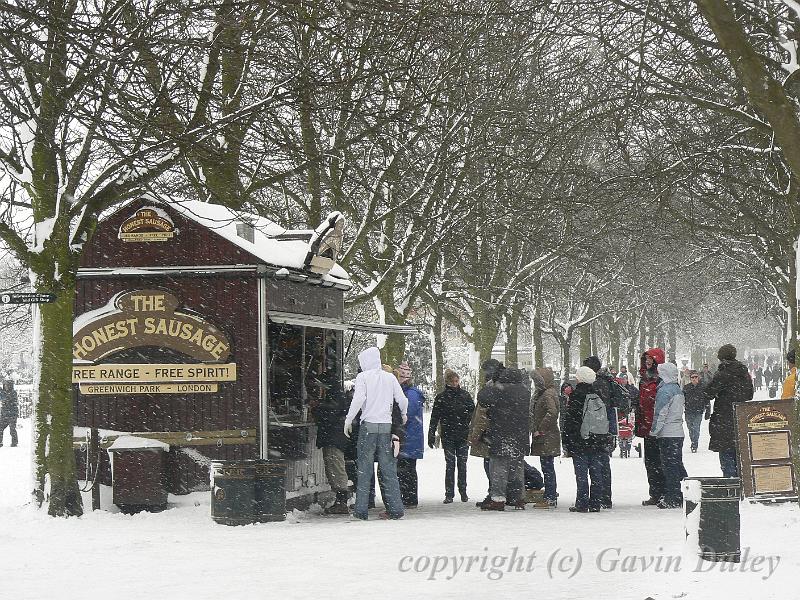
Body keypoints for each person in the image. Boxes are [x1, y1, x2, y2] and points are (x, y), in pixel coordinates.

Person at [344, 347, 408, 520]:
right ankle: (396, 509)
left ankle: (361, 511)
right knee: (388, 470)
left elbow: (358, 399)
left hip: (368, 426)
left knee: (365, 470)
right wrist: (403, 414)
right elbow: (402, 399)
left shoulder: (363, 377)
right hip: (386, 426)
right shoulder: (389, 378)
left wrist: (348, 420)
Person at [475, 367, 531, 511]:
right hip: (519, 435)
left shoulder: (500, 390)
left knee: (499, 468)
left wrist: (492, 383)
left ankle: (498, 499)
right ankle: (519, 498)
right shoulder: (524, 391)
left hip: (501, 433)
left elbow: (482, 398)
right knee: (517, 468)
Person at [562, 366, 609, 513]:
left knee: (581, 474)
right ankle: (595, 502)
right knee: (596, 473)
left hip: (580, 441)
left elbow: (571, 421)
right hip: (596, 440)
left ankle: (582, 502)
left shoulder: (576, 396)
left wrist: (567, 441)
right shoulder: (598, 394)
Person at [704, 344, 754, 478]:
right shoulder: (744, 373)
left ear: (721, 358)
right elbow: (750, 394)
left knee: (726, 455)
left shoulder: (723, 374)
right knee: (740, 455)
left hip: (724, 419)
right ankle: (741, 484)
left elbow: (708, 393)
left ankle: (731, 486)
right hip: (742, 417)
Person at [428, 369, 474, 504]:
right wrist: (431, 433)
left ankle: (463, 491)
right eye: (452, 381)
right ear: (447, 382)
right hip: (448, 435)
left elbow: (473, 412)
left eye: (456, 381)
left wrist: (469, 425)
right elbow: (435, 416)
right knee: (450, 464)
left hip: (462, 434)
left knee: (462, 464)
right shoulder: (441, 397)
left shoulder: (465, 395)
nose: (455, 383)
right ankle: (449, 493)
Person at [311, 371, 352, 514]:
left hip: (333, 438)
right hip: (335, 437)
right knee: (334, 468)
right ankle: (340, 500)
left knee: (335, 469)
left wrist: (317, 408)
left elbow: (330, 414)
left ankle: (341, 502)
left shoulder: (334, 396)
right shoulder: (337, 394)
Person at [651, 363, 688, 508]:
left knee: (669, 466)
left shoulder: (664, 391)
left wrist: (653, 431)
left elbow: (660, 413)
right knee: (677, 464)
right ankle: (683, 492)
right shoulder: (677, 389)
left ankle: (672, 497)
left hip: (667, 433)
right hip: (678, 432)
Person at [582, 356, 615, 509]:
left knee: (599, 463)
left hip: (599, 428)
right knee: (603, 462)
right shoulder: (605, 381)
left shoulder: (597, 384)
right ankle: (605, 496)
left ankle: (603, 496)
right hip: (605, 427)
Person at [637, 348, 665, 506]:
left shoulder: (660, 379)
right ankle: (654, 492)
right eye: (646, 358)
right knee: (650, 462)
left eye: (651, 359)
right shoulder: (644, 378)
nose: (648, 361)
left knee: (659, 461)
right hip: (647, 426)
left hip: (657, 426)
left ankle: (663, 492)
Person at [395, 362, 425, 508]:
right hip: (409, 438)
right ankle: (409, 497)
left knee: (406, 470)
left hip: (408, 438)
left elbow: (407, 415)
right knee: (407, 470)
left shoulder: (410, 394)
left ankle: (409, 498)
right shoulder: (410, 393)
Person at [529, 367, 560, 508]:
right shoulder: (547, 393)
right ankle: (550, 495)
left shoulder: (547, 394)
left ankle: (550, 497)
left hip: (546, 436)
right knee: (547, 466)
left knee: (547, 467)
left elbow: (552, 412)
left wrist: (540, 429)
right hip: (547, 436)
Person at [683, 370, 710, 453]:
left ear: (698, 377)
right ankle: (693, 440)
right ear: (690, 378)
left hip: (698, 411)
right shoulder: (686, 388)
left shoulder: (703, 387)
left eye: (696, 377)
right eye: (692, 377)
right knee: (690, 429)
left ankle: (695, 444)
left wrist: (708, 411)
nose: (694, 379)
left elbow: (707, 400)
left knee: (696, 428)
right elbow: (681, 399)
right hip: (688, 411)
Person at [0, 379, 18, 447]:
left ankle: (14, 442)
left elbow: (7, 398)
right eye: (4, 385)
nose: (6, 386)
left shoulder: (13, 393)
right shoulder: (3, 392)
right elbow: (2, 397)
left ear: (10, 386)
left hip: (12, 414)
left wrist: (2, 393)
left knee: (12, 429)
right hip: (4, 414)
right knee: (0, 428)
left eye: (7, 385)